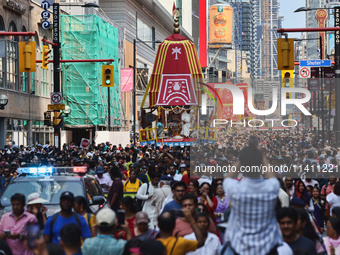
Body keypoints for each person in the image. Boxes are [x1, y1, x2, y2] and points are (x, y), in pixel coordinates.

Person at [222, 138, 283, 255]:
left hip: (239, 247)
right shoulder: (271, 187)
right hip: (268, 248)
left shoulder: (235, 189)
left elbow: (228, 178)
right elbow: (272, 176)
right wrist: (260, 155)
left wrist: (243, 157)